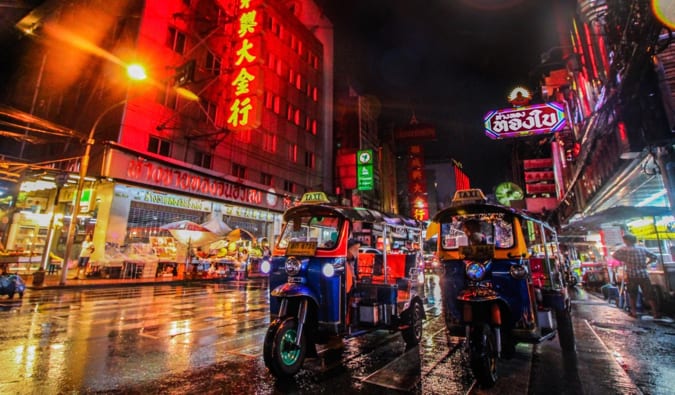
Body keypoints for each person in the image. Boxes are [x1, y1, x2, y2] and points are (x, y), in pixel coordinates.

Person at [612, 233, 661, 318]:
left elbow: (614, 255)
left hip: (632, 275)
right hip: (643, 274)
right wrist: (647, 263)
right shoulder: (642, 249)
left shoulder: (624, 249)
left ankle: (634, 312)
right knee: (649, 294)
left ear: (627, 241)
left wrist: (624, 259)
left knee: (632, 294)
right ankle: (655, 313)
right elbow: (654, 256)